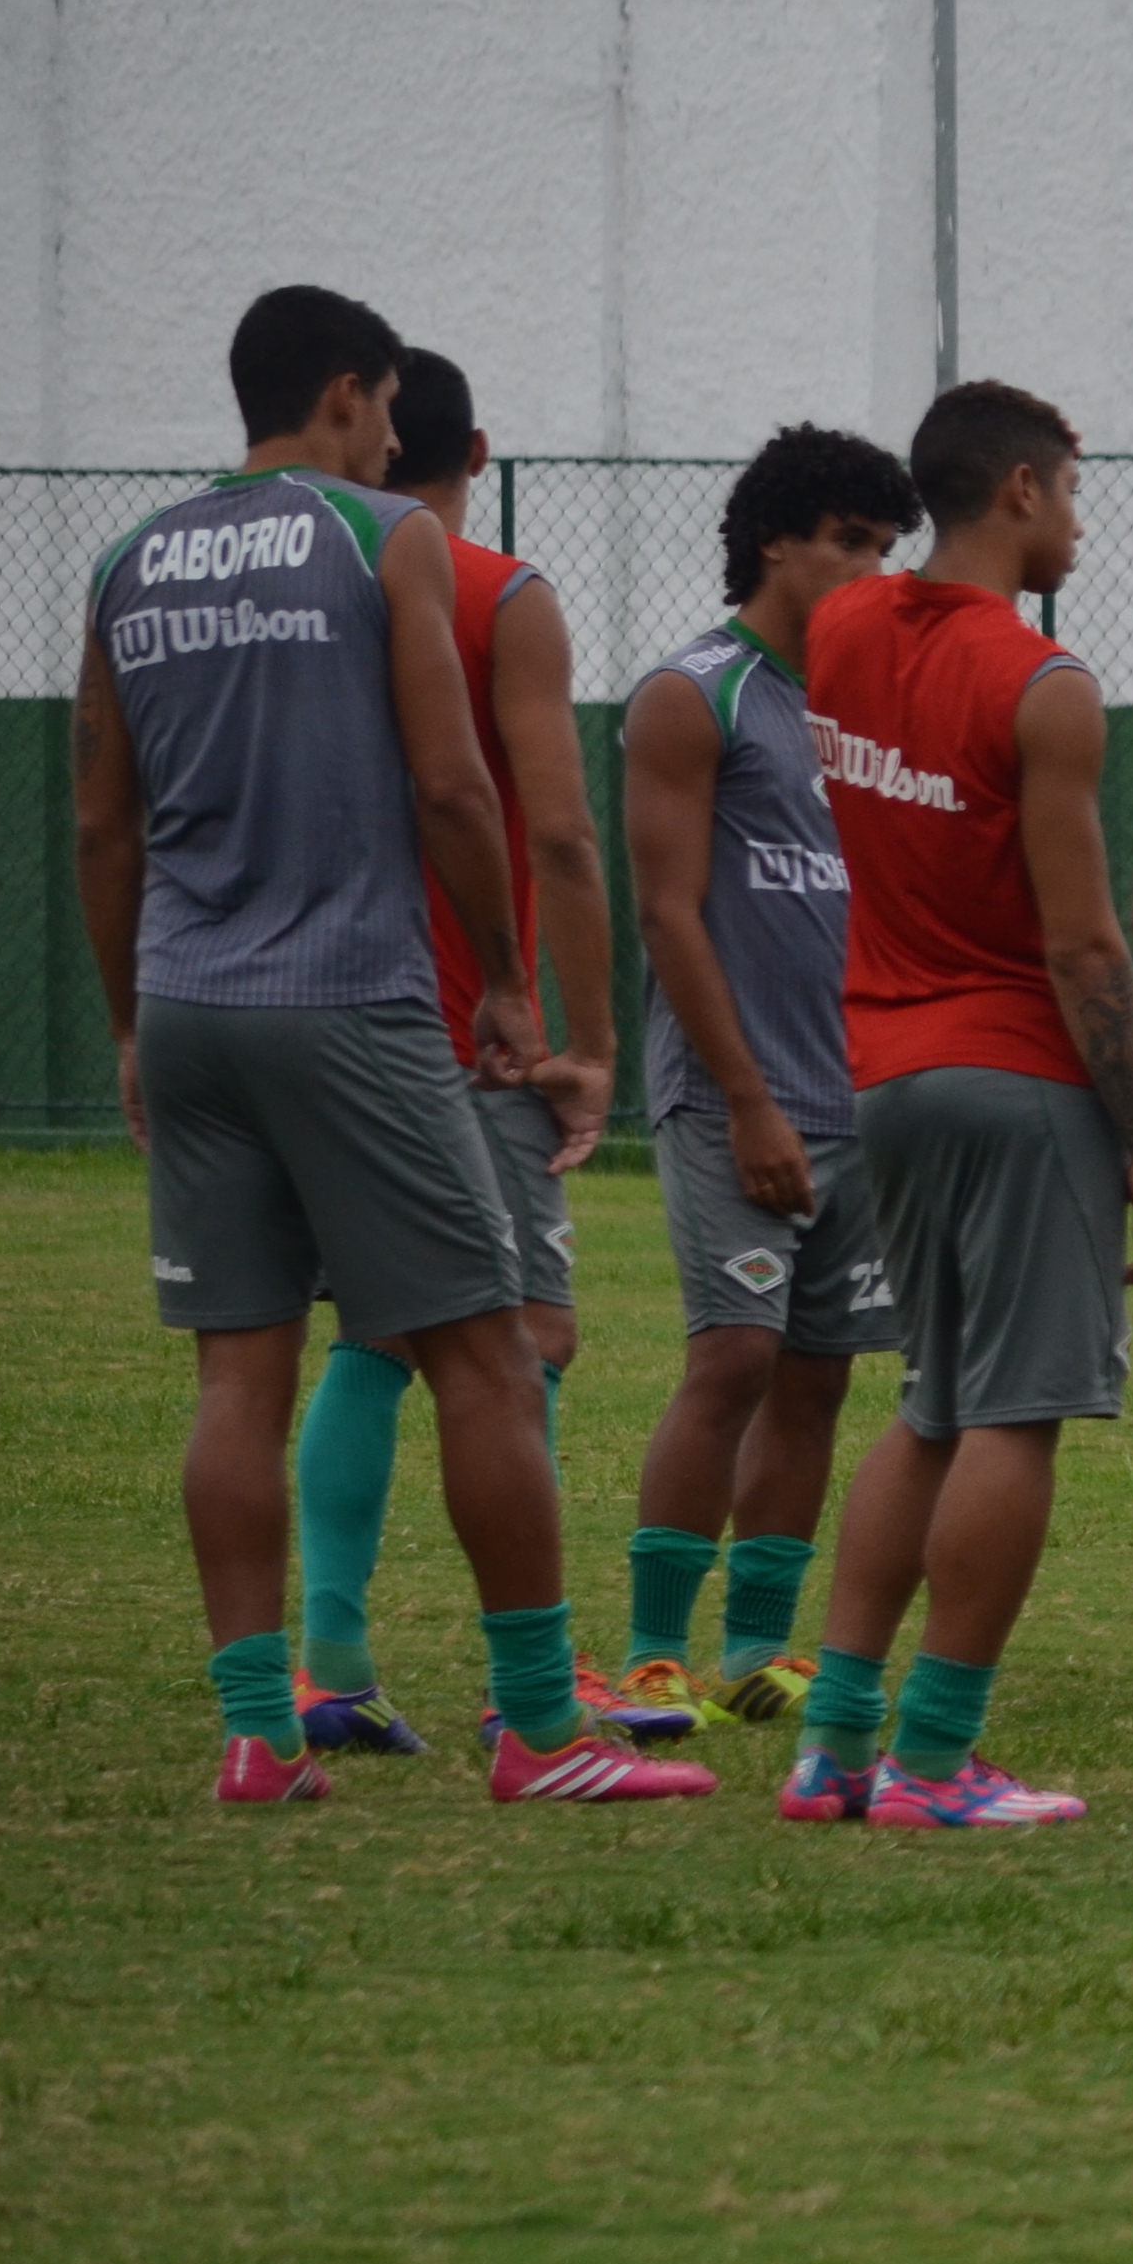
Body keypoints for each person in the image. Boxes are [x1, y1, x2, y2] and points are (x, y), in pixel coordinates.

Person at [71, 285, 704, 1807]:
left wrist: (129, 1024)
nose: (393, 436)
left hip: (191, 1002)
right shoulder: (383, 537)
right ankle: (547, 1733)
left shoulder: (126, 559)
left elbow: (102, 820)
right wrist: (501, 979)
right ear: (350, 395)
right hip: (349, 997)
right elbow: (455, 789)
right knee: (489, 1354)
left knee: (241, 1375)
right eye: (387, 410)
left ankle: (256, 1731)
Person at [779, 380, 1133, 1832]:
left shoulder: (838, 630)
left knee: (933, 1405)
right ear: (1019, 490)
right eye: (1069, 490)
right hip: (1019, 1080)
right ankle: (935, 1762)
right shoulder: (1042, 683)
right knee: (1020, 1414)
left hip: (885, 1074)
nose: (1077, 520)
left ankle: (832, 1747)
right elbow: (1083, 943)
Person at [281, 347, 637, 1750]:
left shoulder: (308, 587)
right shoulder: (498, 593)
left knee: (372, 1332)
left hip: (312, 1001)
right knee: (528, 1332)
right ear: (475, 455)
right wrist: (581, 1033)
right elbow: (556, 828)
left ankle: (328, 1663)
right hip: (464, 1022)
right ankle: (524, 1686)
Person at [615, 427, 918, 1725]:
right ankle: (647, 1652)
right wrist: (745, 1100)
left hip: (867, 1101)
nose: (870, 569)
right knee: (731, 1359)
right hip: (738, 1101)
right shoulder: (696, 694)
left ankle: (759, 1651)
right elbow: (670, 915)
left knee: (818, 1374)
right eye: (850, 541)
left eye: (885, 547)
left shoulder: (874, 706)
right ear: (775, 543)